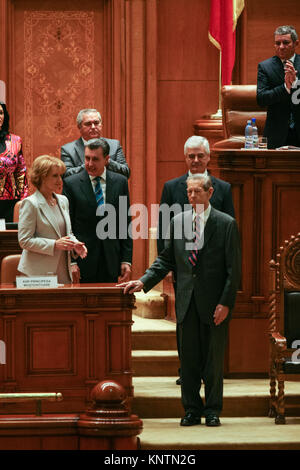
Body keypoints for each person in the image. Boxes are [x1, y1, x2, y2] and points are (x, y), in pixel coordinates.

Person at [118, 174, 241, 427]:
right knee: (188, 361)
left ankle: (212, 410)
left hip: (215, 303)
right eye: (189, 192)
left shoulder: (226, 223)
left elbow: (234, 270)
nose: (192, 196)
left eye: (197, 192)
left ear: (210, 193)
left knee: (213, 361)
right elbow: (166, 259)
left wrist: (226, 303)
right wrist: (143, 281)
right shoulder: (178, 222)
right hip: (186, 302)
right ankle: (192, 409)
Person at [157, 135, 235, 385]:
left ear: (209, 157)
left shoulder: (222, 188)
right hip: (183, 267)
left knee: (210, 321)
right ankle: (187, 370)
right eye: (191, 156)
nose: (196, 160)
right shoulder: (172, 187)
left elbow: (231, 229)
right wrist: (166, 265)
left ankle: (208, 371)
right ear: (185, 158)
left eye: (200, 155)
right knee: (186, 321)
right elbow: (163, 230)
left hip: (212, 270)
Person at [63, 138, 132, 283]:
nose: (89, 164)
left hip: (111, 260)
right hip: (82, 260)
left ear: (106, 159)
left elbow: (125, 223)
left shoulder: (120, 182)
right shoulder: (71, 184)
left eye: (95, 159)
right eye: (87, 158)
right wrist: (72, 261)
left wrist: (126, 260)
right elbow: (67, 225)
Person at [18, 155, 87, 284]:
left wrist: (75, 244)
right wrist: (54, 245)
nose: (60, 180)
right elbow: (24, 241)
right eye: (55, 176)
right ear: (42, 177)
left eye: (61, 175)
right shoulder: (31, 203)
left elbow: (67, 233)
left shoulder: (63, 200)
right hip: (38, 274)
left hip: (63, 272)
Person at [257, 25, 300, 149]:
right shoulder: (265, 67)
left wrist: (295, 83)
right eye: (278, 43)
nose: (281, 47)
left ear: (296, 43)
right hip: (276, 134)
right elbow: (261, 99)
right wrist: (285, 87)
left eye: (286, 42)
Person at [61, 108, 130, 178]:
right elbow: (66, 175)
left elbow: (126, 172)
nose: (93, 127)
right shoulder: (68, 150)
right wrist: (90, 164)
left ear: (101, 125)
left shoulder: (114, 145)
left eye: (96, 123)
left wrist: (107, 161)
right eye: (88, 124)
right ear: (79, 127)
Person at [0, 102, 28, 221]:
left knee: (9, 238)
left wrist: (23, 200)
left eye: (0, 113)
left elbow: (21, 172)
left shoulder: (16, 141)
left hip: (10, 202)